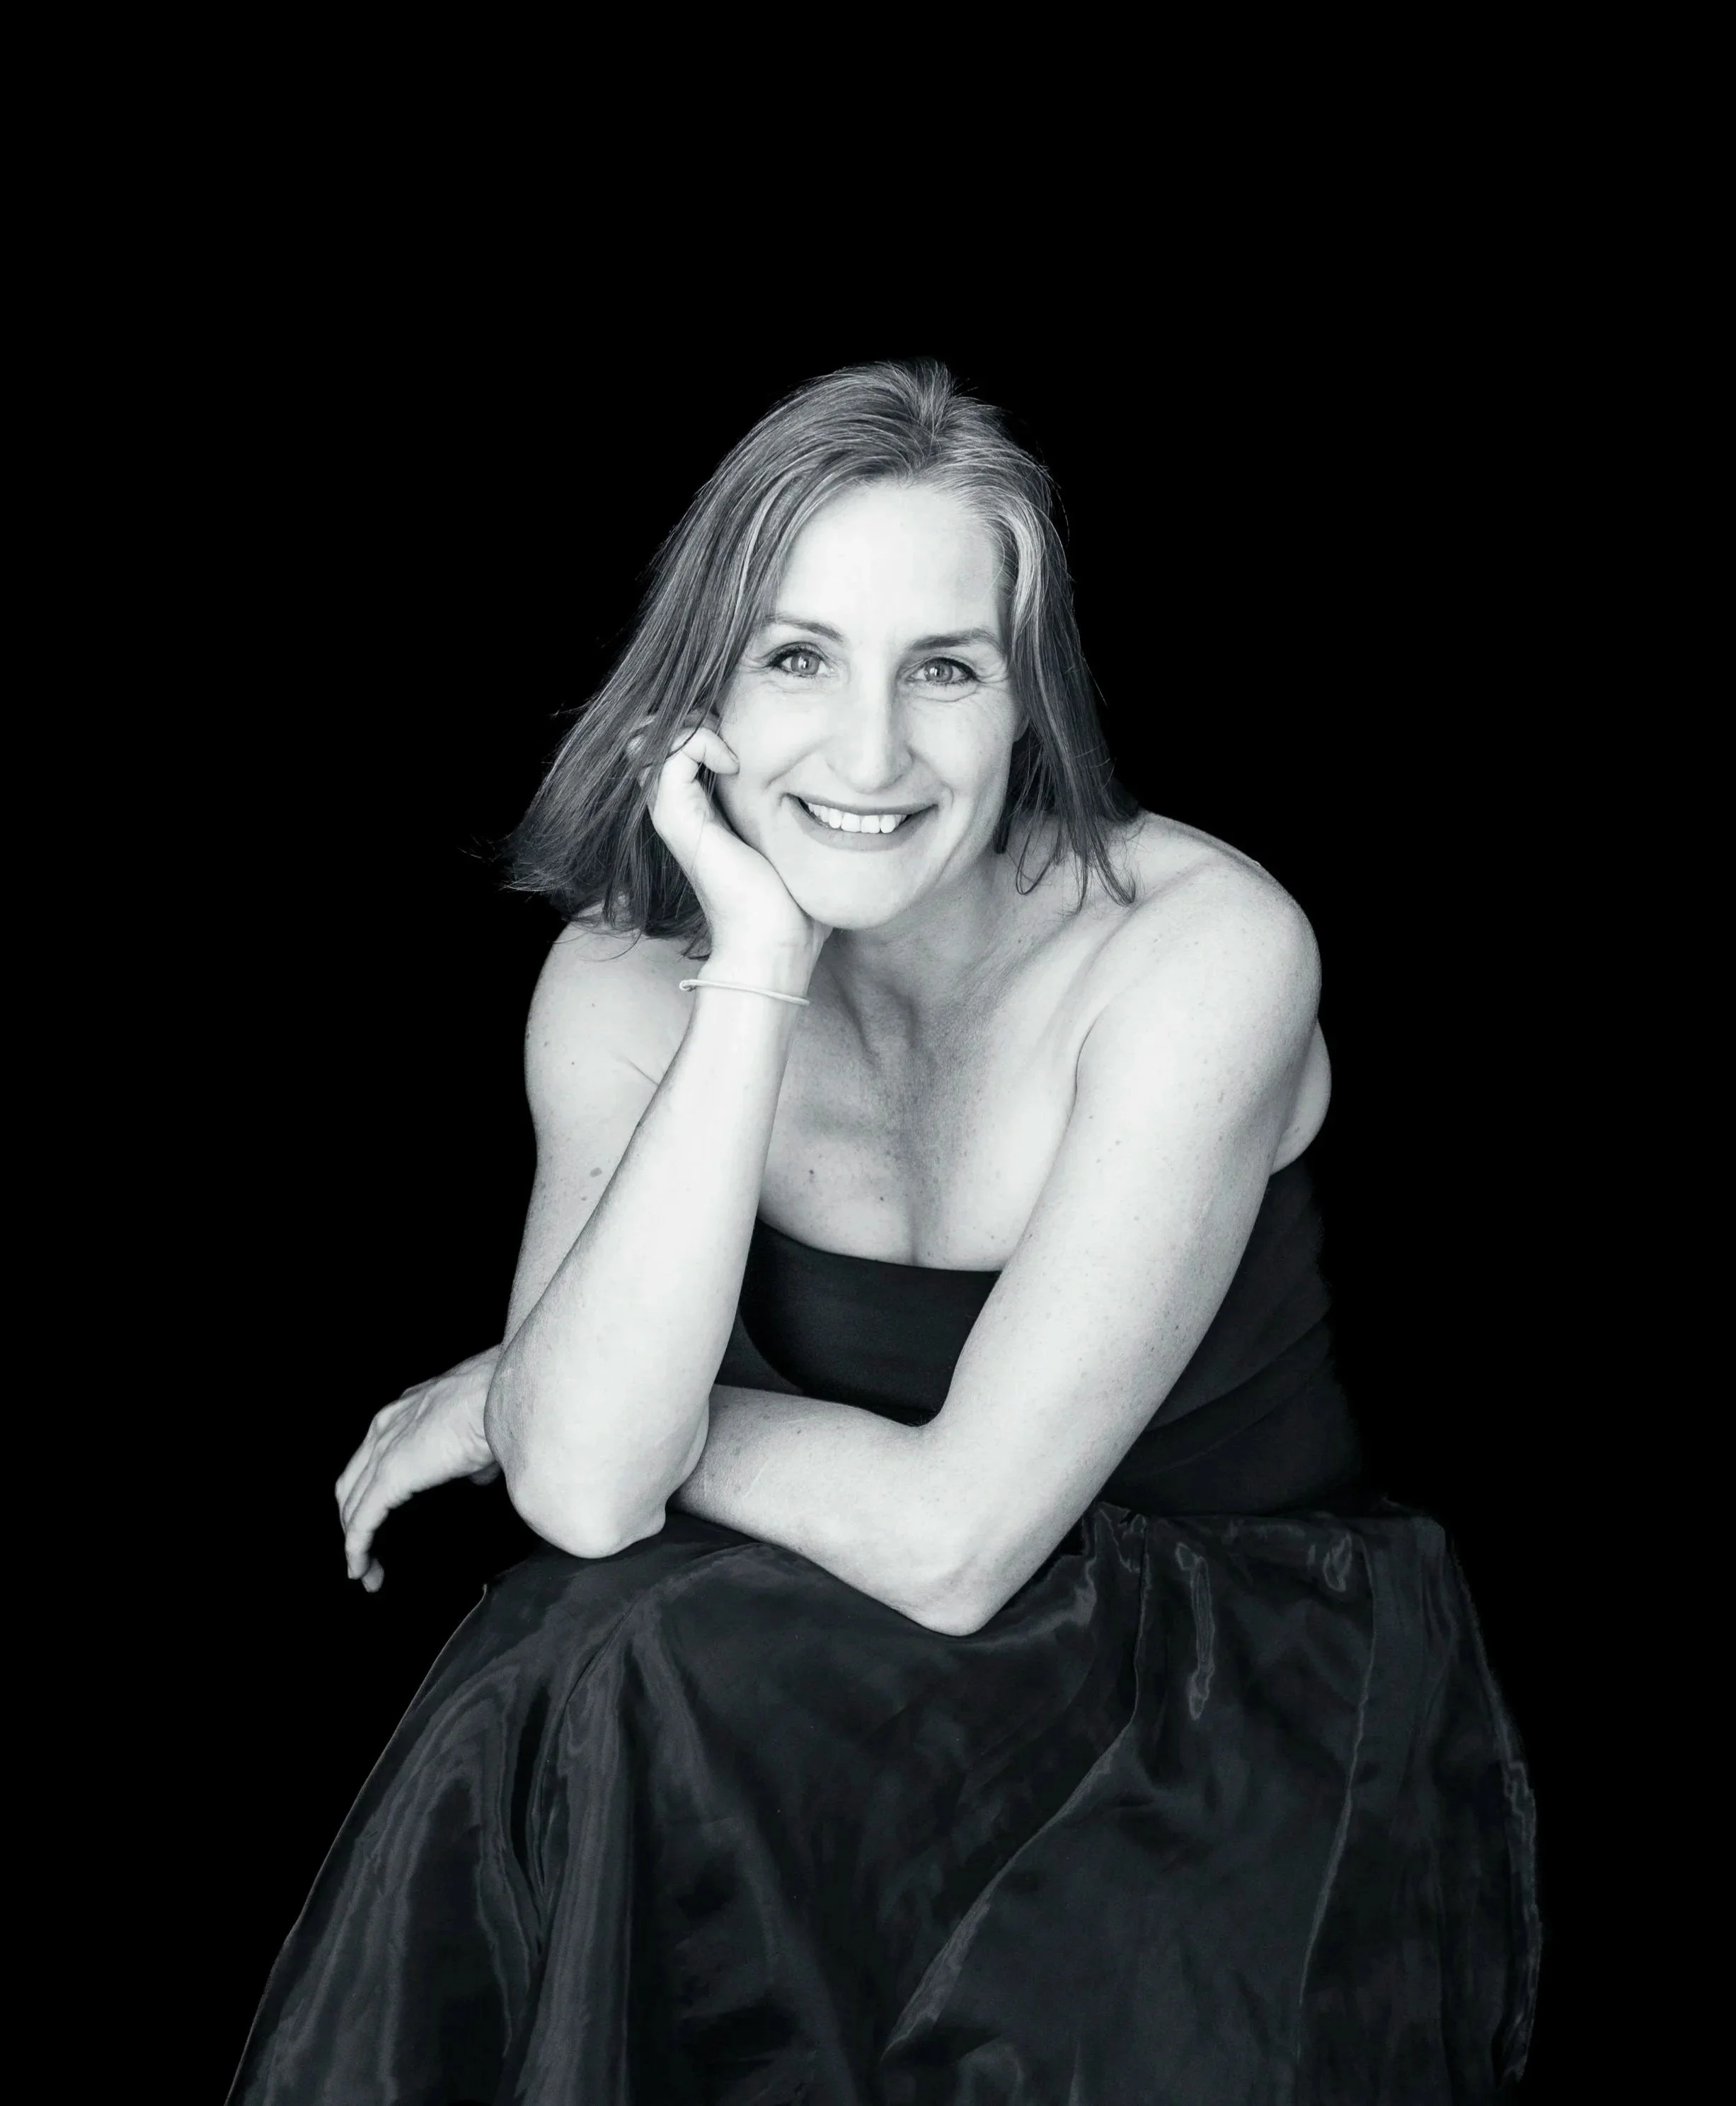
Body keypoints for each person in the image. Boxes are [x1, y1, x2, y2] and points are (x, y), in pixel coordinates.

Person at [230, 361, 1539, 2105]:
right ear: (692, 700)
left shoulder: (1199, 953)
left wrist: (512, 1394)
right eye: (795, 660)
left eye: (942, 670)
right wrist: (752, 969)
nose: (866, 755)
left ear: (1027, 706)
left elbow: (953, 1541)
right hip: (833, 1672)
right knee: (588, 1661)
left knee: (637, 1663)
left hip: (1220, 1693)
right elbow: (588, 1490)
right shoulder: (624, 984)